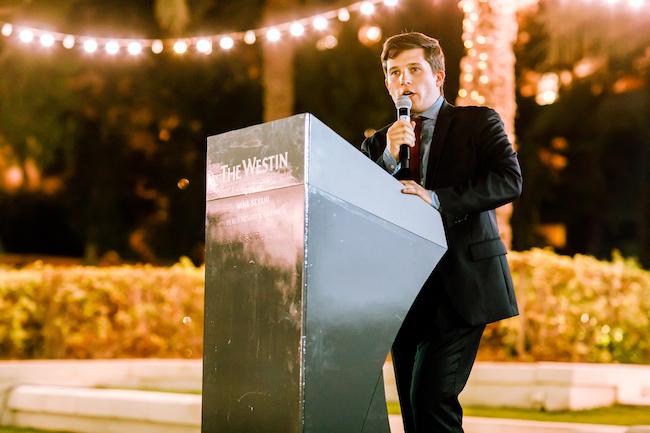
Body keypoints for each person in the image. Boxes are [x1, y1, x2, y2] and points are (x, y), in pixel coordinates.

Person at [360, 32, 522, 433]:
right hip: (403, 293)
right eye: (394, 72)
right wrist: (387, 158)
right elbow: (358, 201)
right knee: (413, 414)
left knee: (430, 399)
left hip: (461, 285)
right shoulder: (378, 143)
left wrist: (435, 199)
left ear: (438, 76)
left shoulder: (477, 122)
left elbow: (508, 180)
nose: (403, 80)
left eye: (414, 69)